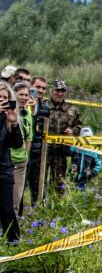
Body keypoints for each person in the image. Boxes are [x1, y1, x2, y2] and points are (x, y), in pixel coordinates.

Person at [47, 80, 82, 193]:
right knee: (39, 181)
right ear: (52, 91)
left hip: (60, 152)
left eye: (62, 91)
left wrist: (72, 131)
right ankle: (37, 206)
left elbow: (79, 125)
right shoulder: (43, 106)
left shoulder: (72, 109)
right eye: (57, 90)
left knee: (59, 184)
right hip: (43, 151)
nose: (60, 94)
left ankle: (56, 208)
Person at [23, 76, 49, 209]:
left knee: (37, 186)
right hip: (22, 152)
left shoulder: (45, 108)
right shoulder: (22, 104)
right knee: (20, 187)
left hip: (38, 152)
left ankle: (37, 216)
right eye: (38, 87)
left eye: (44, 88)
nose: (40, 90)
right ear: (31, 86)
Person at [0, 94, 23, 243]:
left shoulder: (8, 119)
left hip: (4, 170)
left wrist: (14, 125)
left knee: (7, 210)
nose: (2, 101)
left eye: (4, 98)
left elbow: (17, 144)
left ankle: (14, 243)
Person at [8, 84, 31, 213]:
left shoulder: (27, 114)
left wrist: (26, 157)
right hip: (7, 160)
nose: (23, 97)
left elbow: (29, 137)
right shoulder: (7, 112)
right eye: (21, 94)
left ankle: (12, 231)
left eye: (26, 95)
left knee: (15, 202)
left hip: (21, 163)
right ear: (14, 95)